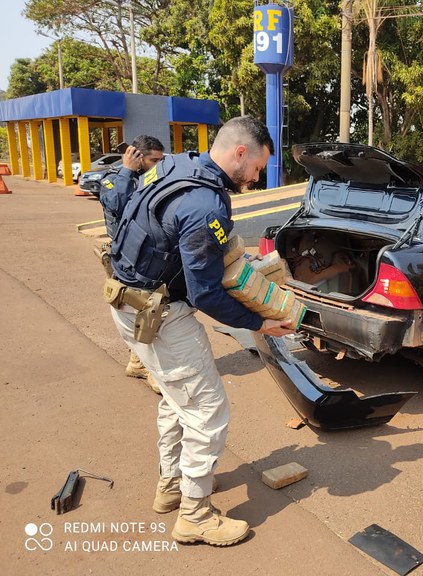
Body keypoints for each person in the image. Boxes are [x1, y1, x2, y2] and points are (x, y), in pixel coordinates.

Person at [105, 116, 294, 546]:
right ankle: (195, 514)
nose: (259, 177)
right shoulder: (205, 205)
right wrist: (260, 322)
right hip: (162, 315)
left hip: (125, 302)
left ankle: (171, 486)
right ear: (240, 152)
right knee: (208, 409)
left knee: (177, 397)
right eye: (259, 167)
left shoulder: (174, 165)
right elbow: (205, 293)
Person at [99, 135, 166, 393]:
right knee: (141, 312)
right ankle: (149, 369)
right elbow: (116, 205)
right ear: (136, 156)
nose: (157, 165)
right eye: (153, 160)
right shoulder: (114, 177)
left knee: (147, 312)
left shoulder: (152, 177)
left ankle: (137, 362)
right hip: (126, 259)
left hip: (149, 257)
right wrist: (127, 170)